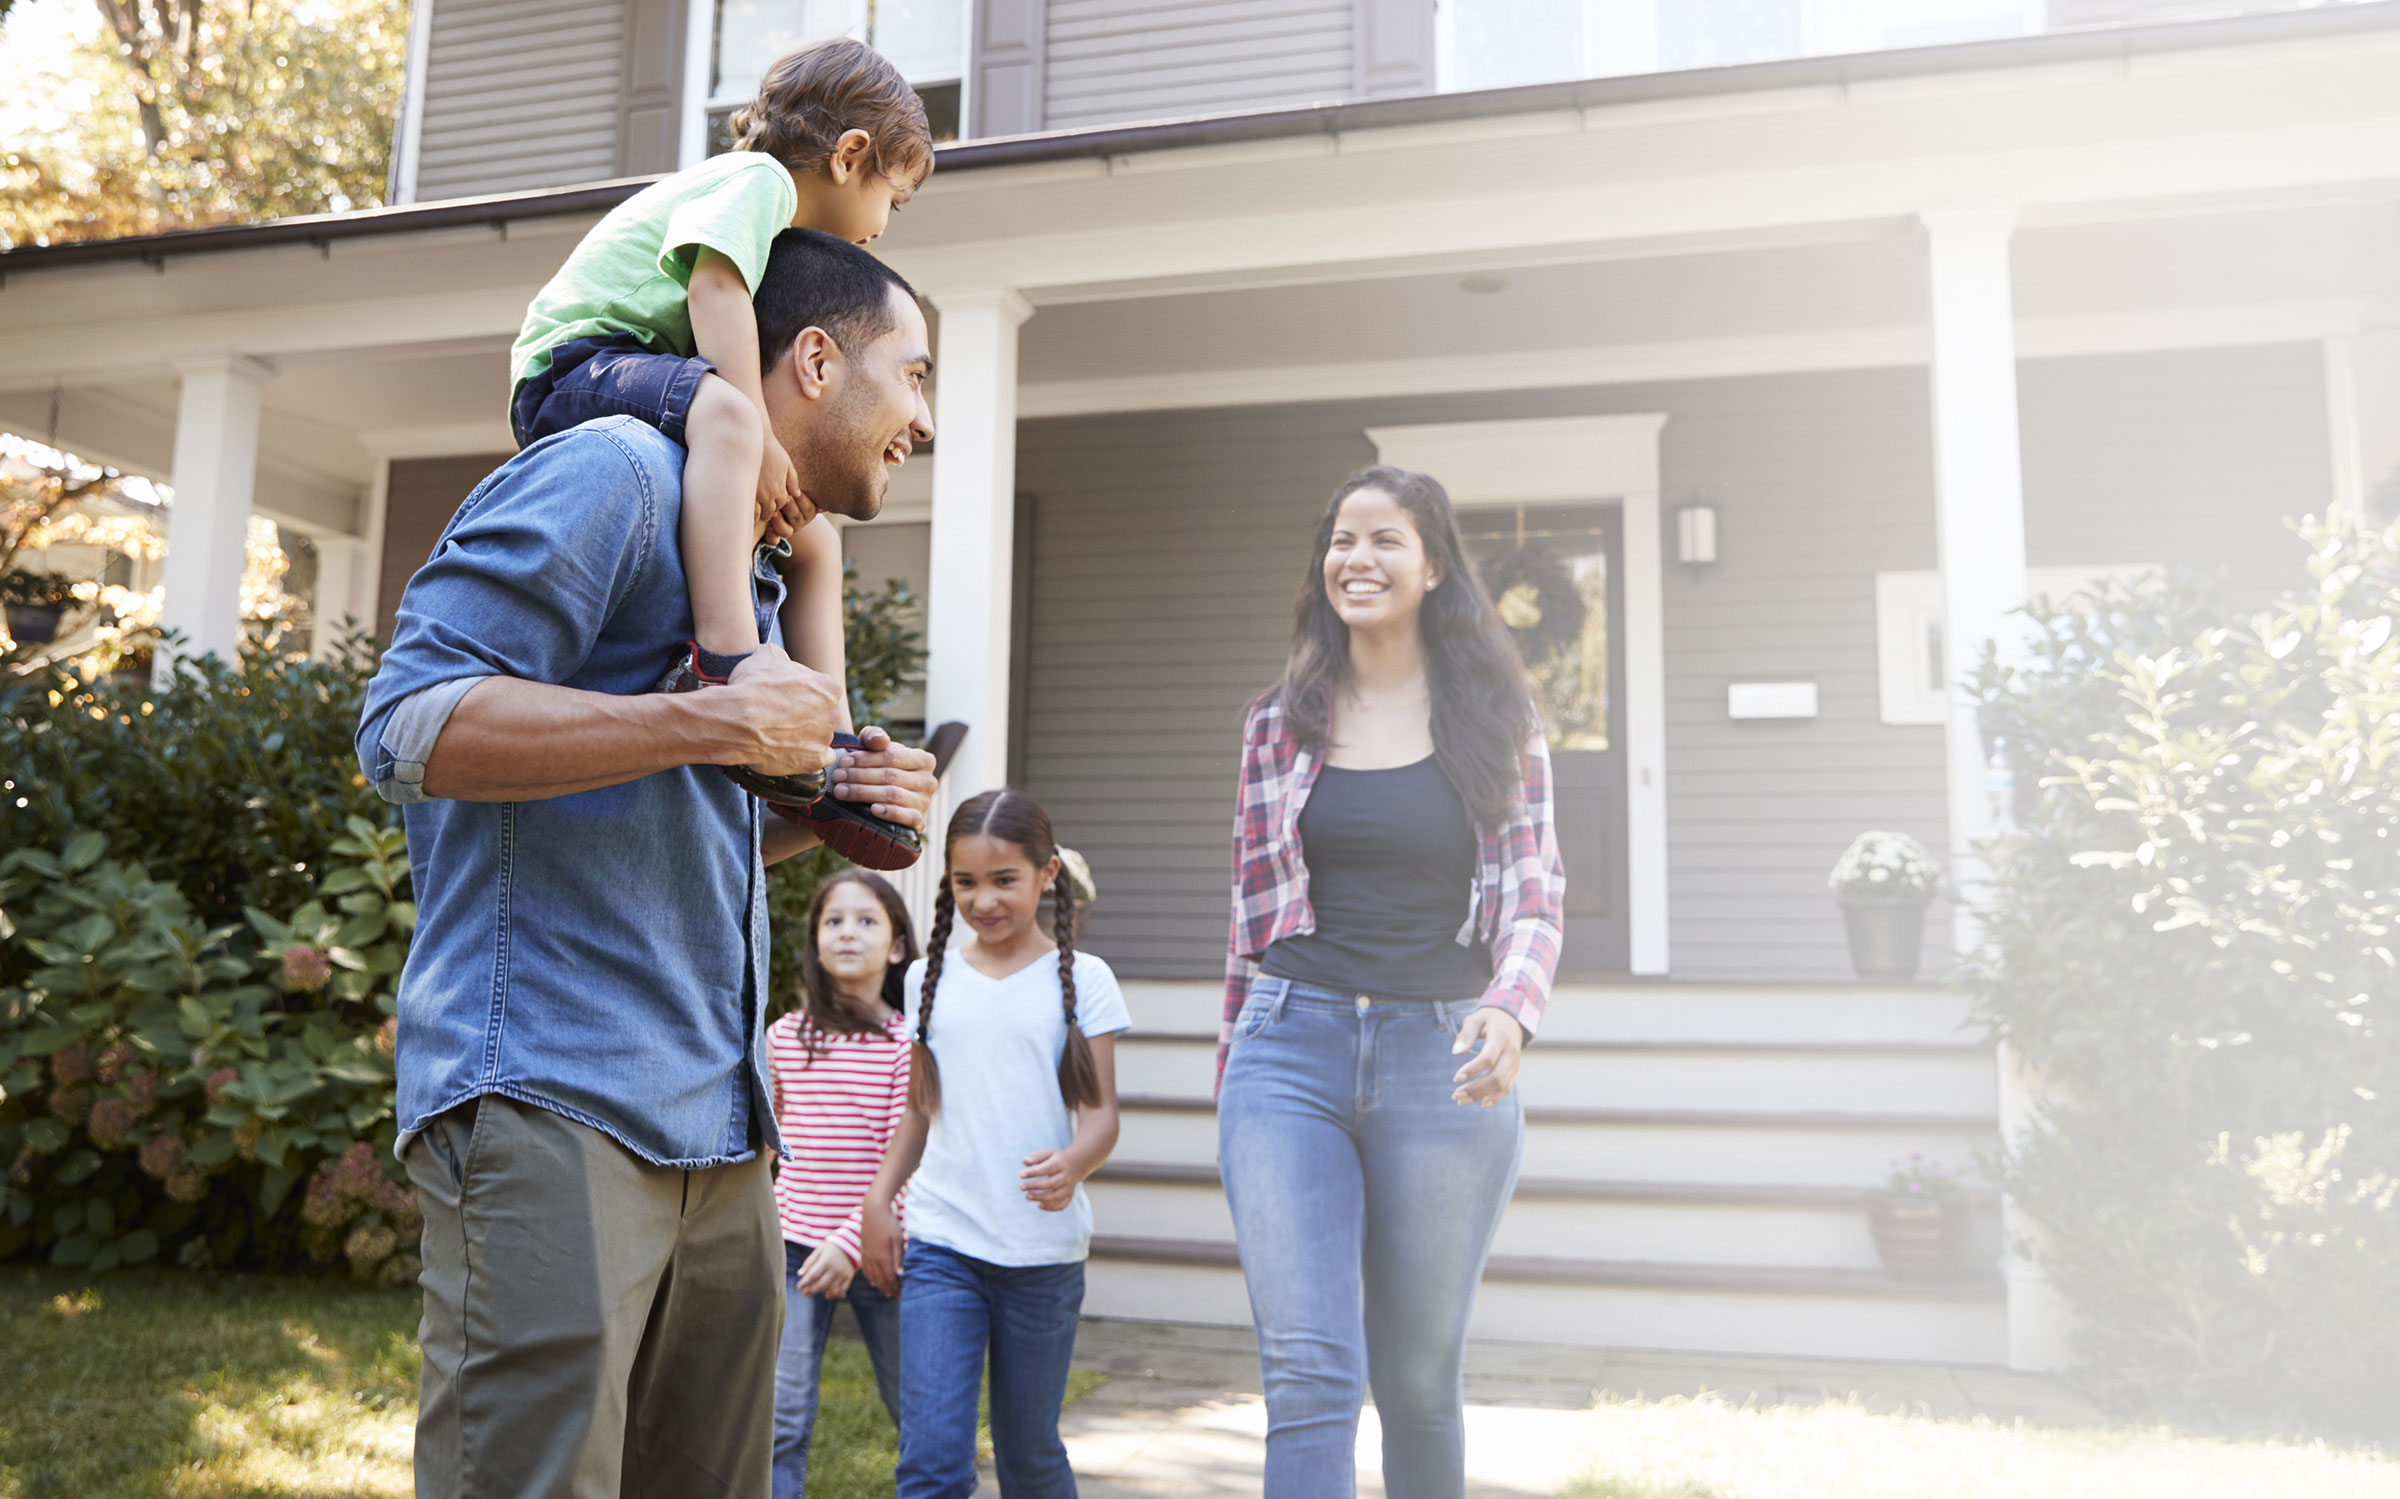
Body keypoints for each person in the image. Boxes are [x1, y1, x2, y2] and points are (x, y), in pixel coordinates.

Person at [355, 226, 939, 1499]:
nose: (925, 419)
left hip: (724, 1132)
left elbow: (684, 812)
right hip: (554, 1096)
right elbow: (405, 726)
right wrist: (708, 720)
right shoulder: (614, 471)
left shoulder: (757, 563)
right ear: (818, 360)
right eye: (913, 375)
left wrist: (837, 804)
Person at [1216, 465, 1565, 1499]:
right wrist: (1235, 1071)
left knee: (1416, 1384)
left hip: (1440, 1058)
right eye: (1341, 539)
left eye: (1384, 539)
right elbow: (1246, 920)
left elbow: (1535, 890)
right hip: (1290, 1047)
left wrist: (1512, 1007)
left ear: (1434, 567)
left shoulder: (1497, 717)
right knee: (1310, 1375)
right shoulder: (1277, 722)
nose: (1356, 558)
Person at [509, 38, 931, 864]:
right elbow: (713, 289)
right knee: (728, 418)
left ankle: (836, 750)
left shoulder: (766, 218)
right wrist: (757, 431)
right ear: (849, 156)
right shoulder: (757, 183)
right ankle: (729, 658)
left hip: (629, 367)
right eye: (893, 197)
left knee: (816, 539)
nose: (883, 226)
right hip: (575, 361)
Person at [858, 790, 1129, 1499]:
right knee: (930, 1461)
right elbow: (920, 1109)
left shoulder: (1087, 980)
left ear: (1048, 874)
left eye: (1004, 879)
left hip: (1041, 1257)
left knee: (1029, 1457)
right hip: (943, 1245)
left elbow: (1101, 1116)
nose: (984, 900)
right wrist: (879, 1200)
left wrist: (1073, 1163)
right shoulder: (927, 978)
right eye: (966, 881)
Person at [766, 870, 917, 1498]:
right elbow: (766, 1146)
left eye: (866, 920)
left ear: (897, 945)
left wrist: (850, 1244)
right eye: (833, 921)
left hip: (883, 1250)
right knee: (780, 1418)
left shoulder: (908, 1045)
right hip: (793, 1249)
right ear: (815, 941)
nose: (847, 933)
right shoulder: (784, 1038)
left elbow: (909, 1163)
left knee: (918, 1410)